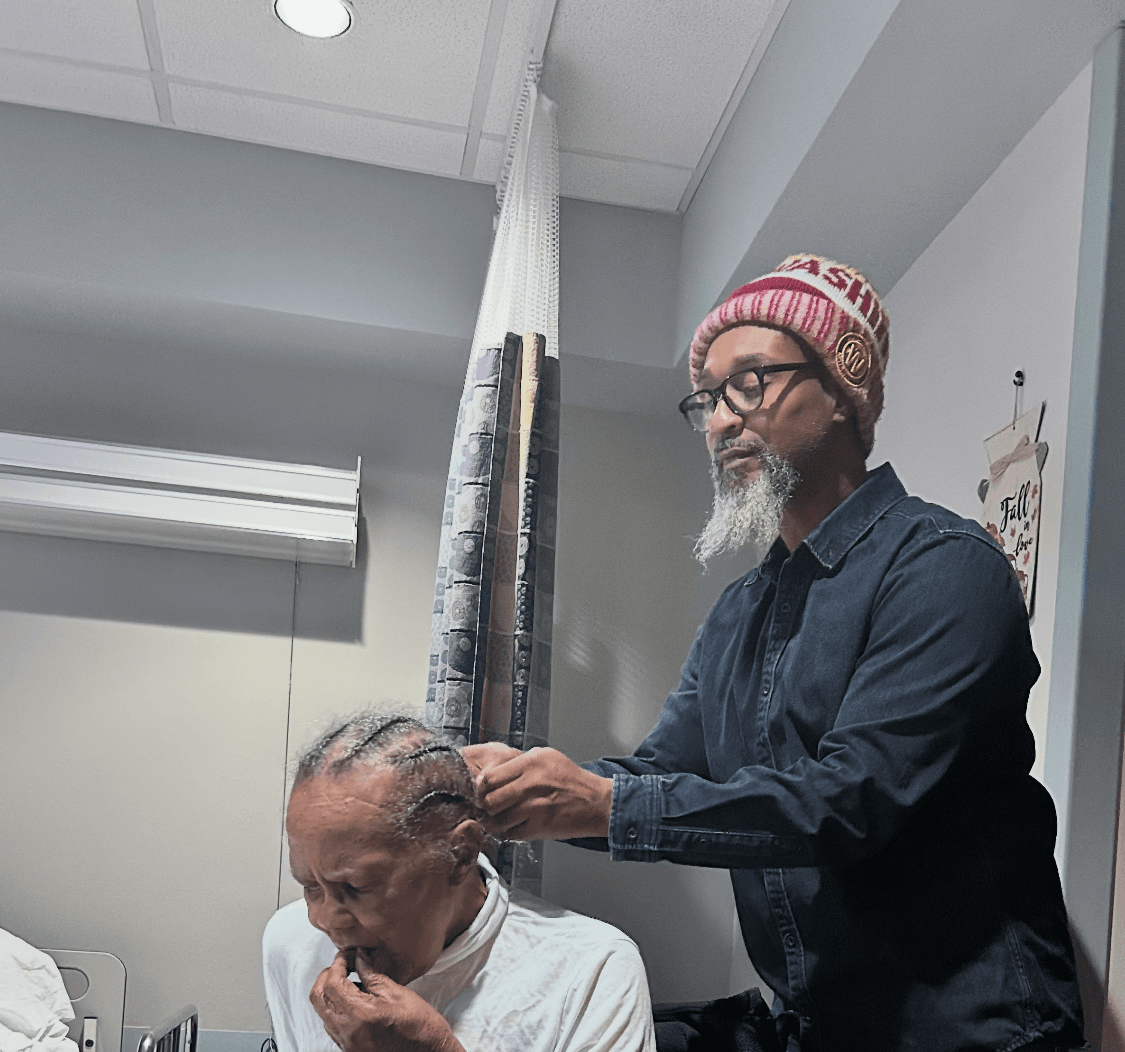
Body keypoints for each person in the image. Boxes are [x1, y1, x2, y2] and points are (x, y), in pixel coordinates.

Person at [464, 255, 1085, 1052]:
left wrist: (604, 807)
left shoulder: (944, 568)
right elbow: (663, 771)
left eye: (750, 383)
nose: (722, 420)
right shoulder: (740, 612)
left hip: (969, 1029)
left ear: (842, 393)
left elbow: (848, 802)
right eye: (709, 398)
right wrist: (523, 791)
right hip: (822, 1027)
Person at [262, 710, 655, 1052]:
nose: (325, 919)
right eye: (310, 886)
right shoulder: (290, 941)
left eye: (356, 887)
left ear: (460, 855)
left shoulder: (591, 971)